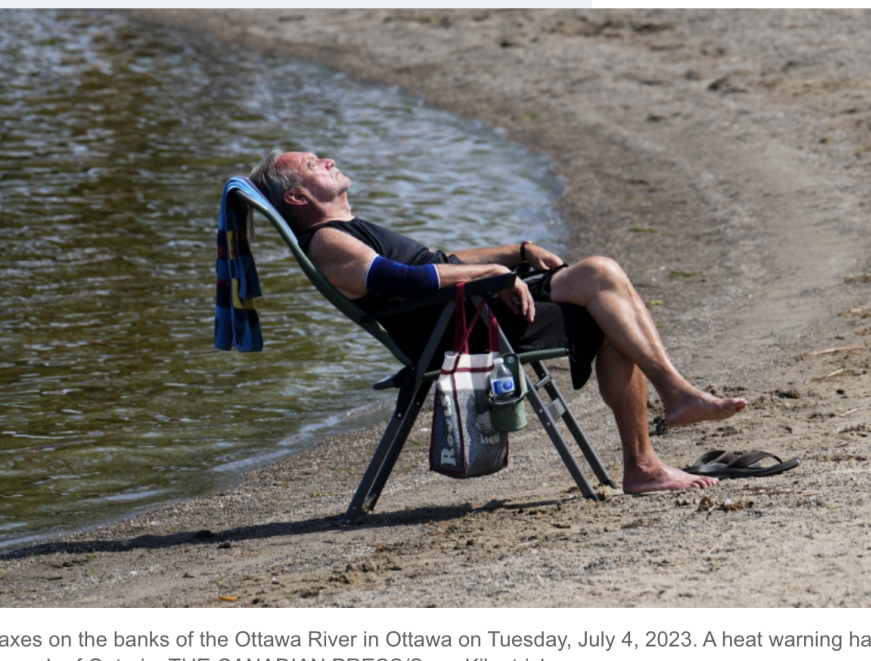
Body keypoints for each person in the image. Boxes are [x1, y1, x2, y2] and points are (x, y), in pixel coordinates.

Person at [250, 149, 747, 493]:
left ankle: (661, 429)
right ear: (296, 197)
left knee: (602, 278)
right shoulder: (327, 239)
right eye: (315, 164)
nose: (329, 160)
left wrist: (516, 252)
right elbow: (398, 278)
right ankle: (655, 439)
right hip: (463, 329)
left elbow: (435, 259)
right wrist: (489, 273)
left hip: (471, 311)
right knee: (607, 298)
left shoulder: (346, 229)